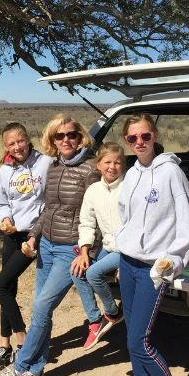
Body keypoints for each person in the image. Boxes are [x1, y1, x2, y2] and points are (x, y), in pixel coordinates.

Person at [0, 114, 100, 376]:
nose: (65, 140)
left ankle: (20, 365)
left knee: (39, 307)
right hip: (43, 240)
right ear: (52, 140)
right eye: (59, 137)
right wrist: (31, 233)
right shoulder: (56, 167)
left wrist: (88, 249)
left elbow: (97, 211)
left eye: (71, 135)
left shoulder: (86, 169)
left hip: (69, 248)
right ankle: (32, 368)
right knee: (32, 305)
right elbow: (46, 208)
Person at [111, 113, 189, 376]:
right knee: (131, 338)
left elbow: (186, 223)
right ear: (126, 141)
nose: (139, 143)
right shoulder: (132, 173)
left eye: (145, 137)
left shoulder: (171, 172)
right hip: (129, 262)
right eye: (132, 139)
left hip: (153, 268)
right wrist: (123, 250)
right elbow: (126, 217)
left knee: (139, 340)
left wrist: (173, 261)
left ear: (155, 136)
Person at [0, 122, 53, 370]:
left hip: (34, 236)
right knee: (8, 289)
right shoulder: (4, 170)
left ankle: (22, 340)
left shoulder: (44, 163)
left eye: (20, 141)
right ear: (6, 146)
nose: (17, 147)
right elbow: (1, 202)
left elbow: (50, 200)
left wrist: (30, 230)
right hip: (12, 236)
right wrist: (4, 219)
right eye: (11, 144)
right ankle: (5, 347)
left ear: (28, 139)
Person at [70, 141, 126, 351]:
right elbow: (86, 222)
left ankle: (112, 313)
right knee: (77, 271)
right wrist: (84, 251)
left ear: (123, 165)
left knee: (93, 273)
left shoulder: (128, 187)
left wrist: (127, 261)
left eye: (118, 162)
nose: (113, 167)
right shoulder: (93, 190)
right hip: (109, 246)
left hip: (126, 249)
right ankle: (95, 319)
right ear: (98, 165)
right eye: (108, 162)